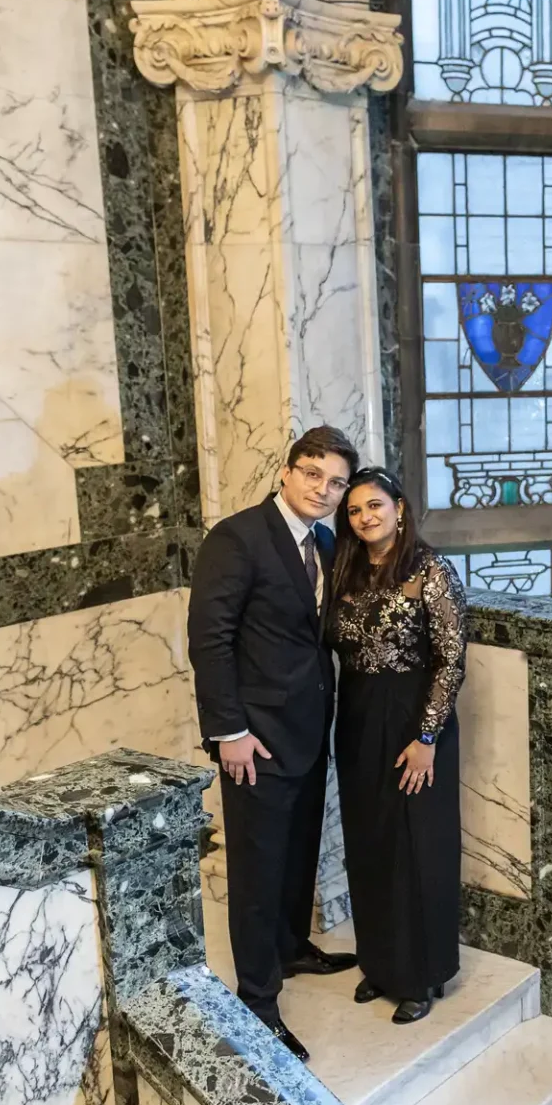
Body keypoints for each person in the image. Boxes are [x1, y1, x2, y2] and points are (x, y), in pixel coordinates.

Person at [187, 426, 362, 1060]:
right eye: (312, 474)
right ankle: (257, 1000)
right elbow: (210, 641)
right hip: (254, 740)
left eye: (336, 482)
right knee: (259, 871)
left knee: (298, 852)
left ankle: (291, 949)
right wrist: (228, 732)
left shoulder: (326, 539)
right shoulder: (237, 538)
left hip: (310, 731)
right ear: (287, 472)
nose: (323, 489)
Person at [327, 468, 466, 1024]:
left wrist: (426, 737)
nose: (364, 518)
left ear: (399, 508)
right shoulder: (347, 567)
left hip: (414, 718)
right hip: (358, 715)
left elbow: (451, 661)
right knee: (370, 840)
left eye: (374, 506)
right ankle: (380, 965)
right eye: (355, 510)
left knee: (415, 846)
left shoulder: (431, 571)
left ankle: (421, 975)